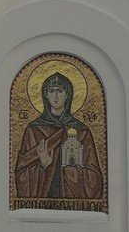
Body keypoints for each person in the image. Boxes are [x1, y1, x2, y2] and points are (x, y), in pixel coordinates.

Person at [14, 70, 103, 202]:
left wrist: (72, 169)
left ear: (68, 95)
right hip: (42, 203)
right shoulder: (33, 130)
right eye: (51, 91)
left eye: (60, 91)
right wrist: (43, 166)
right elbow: (21, 176)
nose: (55, 96)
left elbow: (95, 179)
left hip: (73, 204)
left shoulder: (82, 131)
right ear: (46, 95)